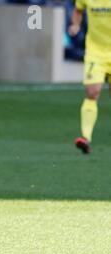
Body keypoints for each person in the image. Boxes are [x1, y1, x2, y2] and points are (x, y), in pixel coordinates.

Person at [69, 0, 111, 154]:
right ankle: (85, 138)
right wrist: (75, 25)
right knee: (92, 92)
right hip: (96, 53)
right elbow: (78, 10)